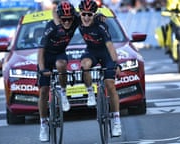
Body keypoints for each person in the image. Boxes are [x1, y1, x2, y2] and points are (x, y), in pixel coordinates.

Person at [78, 0, 122, 136]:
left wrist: (116, 63)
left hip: (106, 53)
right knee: (85, 65)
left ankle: (116, 120)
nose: (86, 17)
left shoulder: (101, 25)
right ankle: (91, 93)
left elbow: (110, 46)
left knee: (110, 84)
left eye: (89, 15)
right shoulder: (77, 19)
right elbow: (59, 14)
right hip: (91, 51)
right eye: (83, 14)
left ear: (94, 14)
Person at [37, 1, 78, 142]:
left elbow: (89, 16)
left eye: (69, 19)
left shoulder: (76, 19)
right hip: (46, 56)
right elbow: (41, 50)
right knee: (43, 91)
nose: (67, 22)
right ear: (59, 18)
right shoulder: (52, 27)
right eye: (64, 19)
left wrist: (100, 16)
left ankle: (63, 93)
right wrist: (42, 69)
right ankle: (43, 124)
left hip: (59, 53)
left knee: (61, 64)